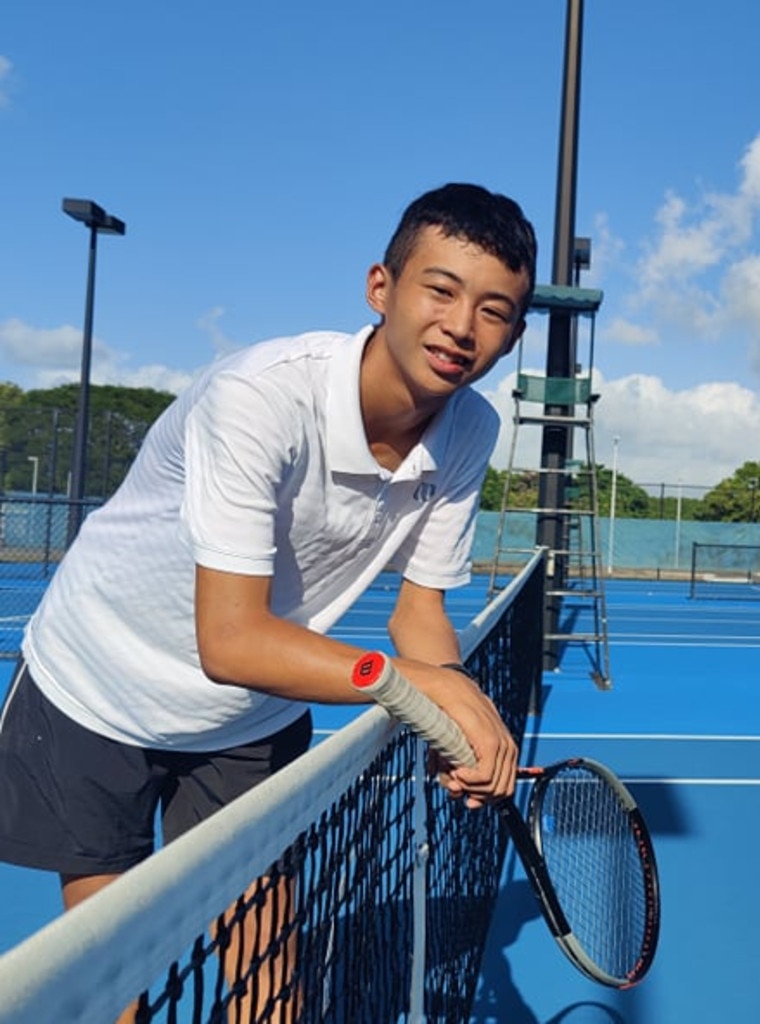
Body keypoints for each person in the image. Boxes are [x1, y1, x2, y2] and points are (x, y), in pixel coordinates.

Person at [0, 181, 537, 1019]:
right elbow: (231, 639)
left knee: (269, 986)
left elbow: (420, 614)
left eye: (495, 309)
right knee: (118, 984)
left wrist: (450, 719)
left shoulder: (470, 429)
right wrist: (416, 688)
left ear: (515, 332)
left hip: (248, 717)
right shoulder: (259, 396)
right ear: (381, 288)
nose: (462, 326)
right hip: (93, 688)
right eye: (440, 289)